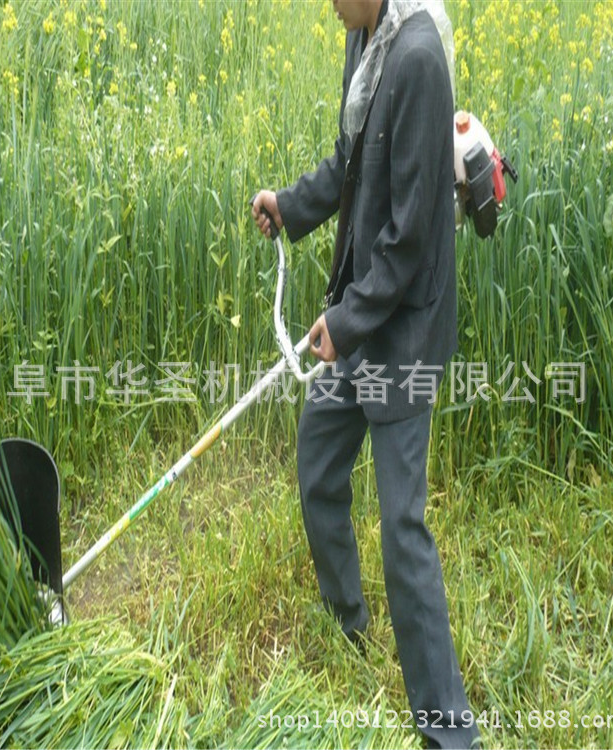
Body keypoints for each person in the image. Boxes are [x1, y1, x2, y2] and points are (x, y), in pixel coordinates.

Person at [251, 1, 479, 748]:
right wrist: (290, 206)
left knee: (401, 530)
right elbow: (351, 163)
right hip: (363, 314)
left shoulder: (417, 59)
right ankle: (347, 623)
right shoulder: (365, 36)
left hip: (402, 334)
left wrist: (345, 323)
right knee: (319, 455)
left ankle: (449, 732)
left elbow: (409, 237)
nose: (327, 5)